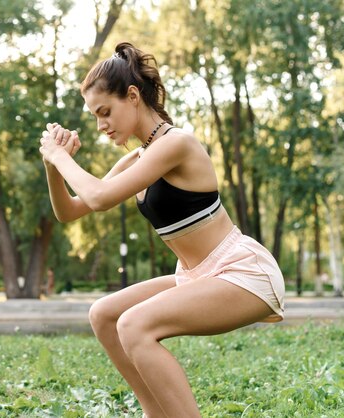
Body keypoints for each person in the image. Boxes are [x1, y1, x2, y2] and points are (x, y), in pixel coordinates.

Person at [39, 42, 285, 418]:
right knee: (104, 314)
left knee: (134, 324)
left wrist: (59, 156)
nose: (100, 125)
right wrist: (53, 166)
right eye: (94, 116)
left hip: (241, 271)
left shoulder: (177, 144)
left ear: (133, 96)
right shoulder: (137, 158)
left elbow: (101, 197)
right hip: (195, 276)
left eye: (104, 112)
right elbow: (71, 211)